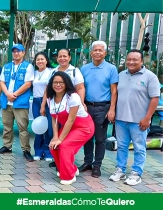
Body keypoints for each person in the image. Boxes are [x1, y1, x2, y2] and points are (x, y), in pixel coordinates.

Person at [109, 49, 160, 186]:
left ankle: (136, 173)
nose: (131, 62)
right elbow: (116, 95)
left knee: (139, 147)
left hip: (139, 121)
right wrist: (113, 111)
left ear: (142, 61)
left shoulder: (150, 77)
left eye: (135, 60)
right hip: (121, 119)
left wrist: (147, 117)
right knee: (122, 146)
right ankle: (120, 170)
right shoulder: (121, 75)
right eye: (129, 59)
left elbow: (155, 98)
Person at [41, 48, 86, 168]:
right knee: (54, 132)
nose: (62, 58)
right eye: (60, 56)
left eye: (65, 56)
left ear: (69, 57)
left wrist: (81, 103)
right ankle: (58, 159)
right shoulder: (53, 71)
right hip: (56, 107)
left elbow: (80, 88)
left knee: (68, 135)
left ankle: (68, 161)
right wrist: (43, 105)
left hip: (70, 108)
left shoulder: (75, 71)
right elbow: (48, 89)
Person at [47, 71, 95, 185]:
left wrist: (60, 139)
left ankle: (69, 176)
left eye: (61, 82)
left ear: (66, 83)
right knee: (53, 146)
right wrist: (55, 137)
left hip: (83, 127)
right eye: (55, 82)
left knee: (64, 145)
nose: (58, 85)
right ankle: (70, 169)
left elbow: (71, 120)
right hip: (68, 127)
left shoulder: (73, 97)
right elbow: (54, 118)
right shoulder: (50, 98)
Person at [80, 41, 119, 177]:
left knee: (100, 138)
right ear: (91, 53)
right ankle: (88, 162)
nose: (97, 52)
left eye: (100, 50)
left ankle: (97, 165)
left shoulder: (111, 69)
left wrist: (112, 109)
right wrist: (81, 103)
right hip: (87, 107)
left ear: (105, 53)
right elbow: (81, 88)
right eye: (95, 50)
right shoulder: (84, 68)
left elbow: (114, 91)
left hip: (103, 107)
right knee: (87, 136)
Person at [0, 44, 35, 162]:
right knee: (7, 126)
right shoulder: (6, 66)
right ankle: (7, 146)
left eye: (18, 51)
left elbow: (28, 84)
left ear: (23, 53)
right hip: (7, 101)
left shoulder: (28, 66)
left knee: (23, 127)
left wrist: (14, 95)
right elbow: (1, 82)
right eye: (14, 51)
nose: (16, 53)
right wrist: (7, 94)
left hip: (20, 102)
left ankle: (26, 150)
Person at [31, 52, 54, 161]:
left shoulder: (51, 72)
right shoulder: (33, 73)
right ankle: (38, 151)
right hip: (36, 101)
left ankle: (48, 151)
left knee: (49, 128)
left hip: (48, 102)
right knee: (38, 127)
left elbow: (47, 89)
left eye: (42, 59)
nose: (40, 61)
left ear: (46, 60)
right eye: (37, 59)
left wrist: (43, 105)